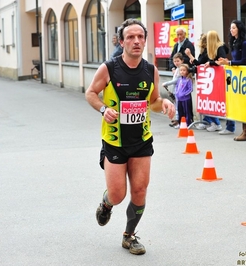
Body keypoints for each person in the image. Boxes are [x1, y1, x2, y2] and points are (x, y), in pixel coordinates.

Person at [85, 18, 175, 255]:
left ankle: (129, 236)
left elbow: (153, 102)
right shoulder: (109, 68)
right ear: (122, 41)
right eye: (130, 37)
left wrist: (164, 102)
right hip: (115, 141)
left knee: (139, 191)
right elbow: (91, 93)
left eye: (140, 37)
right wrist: (104, 109)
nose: (136, 41)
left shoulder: (150, 70)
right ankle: (106, 204)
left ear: (145, 40)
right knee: (117, 194)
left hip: (141, 140)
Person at [217, 20, 246, 141]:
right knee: (240, 104)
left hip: (244, 76)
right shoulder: (234, 41)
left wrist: (229, 62)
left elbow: (244, 60)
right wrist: (225, 62)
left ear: (239, 29)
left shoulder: (244, 43)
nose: (231, 30)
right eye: (231, 28)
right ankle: (245, 131)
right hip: (237, 77)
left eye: (233, 28)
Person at [187, 32, 226, 132]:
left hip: (215, 77)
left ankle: (217, 123)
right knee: (207, 100)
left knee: (213, 100)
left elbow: (221, 61)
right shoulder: (209, 50)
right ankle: (208, 121)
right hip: (209, 77)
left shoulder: (219, 48)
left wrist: (211, 63)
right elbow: (200, 63)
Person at [162, 52, 184, 129]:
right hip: (175, 91)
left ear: (182, 61)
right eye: (174, 61)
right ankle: (177, 121)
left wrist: (167, 83)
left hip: (179, 91)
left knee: (178, 107)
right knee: (176, 106)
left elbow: (176, 80)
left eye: (178, 61)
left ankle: (178, 122)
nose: (176, 63)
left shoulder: (181, 70)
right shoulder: (177, 69)